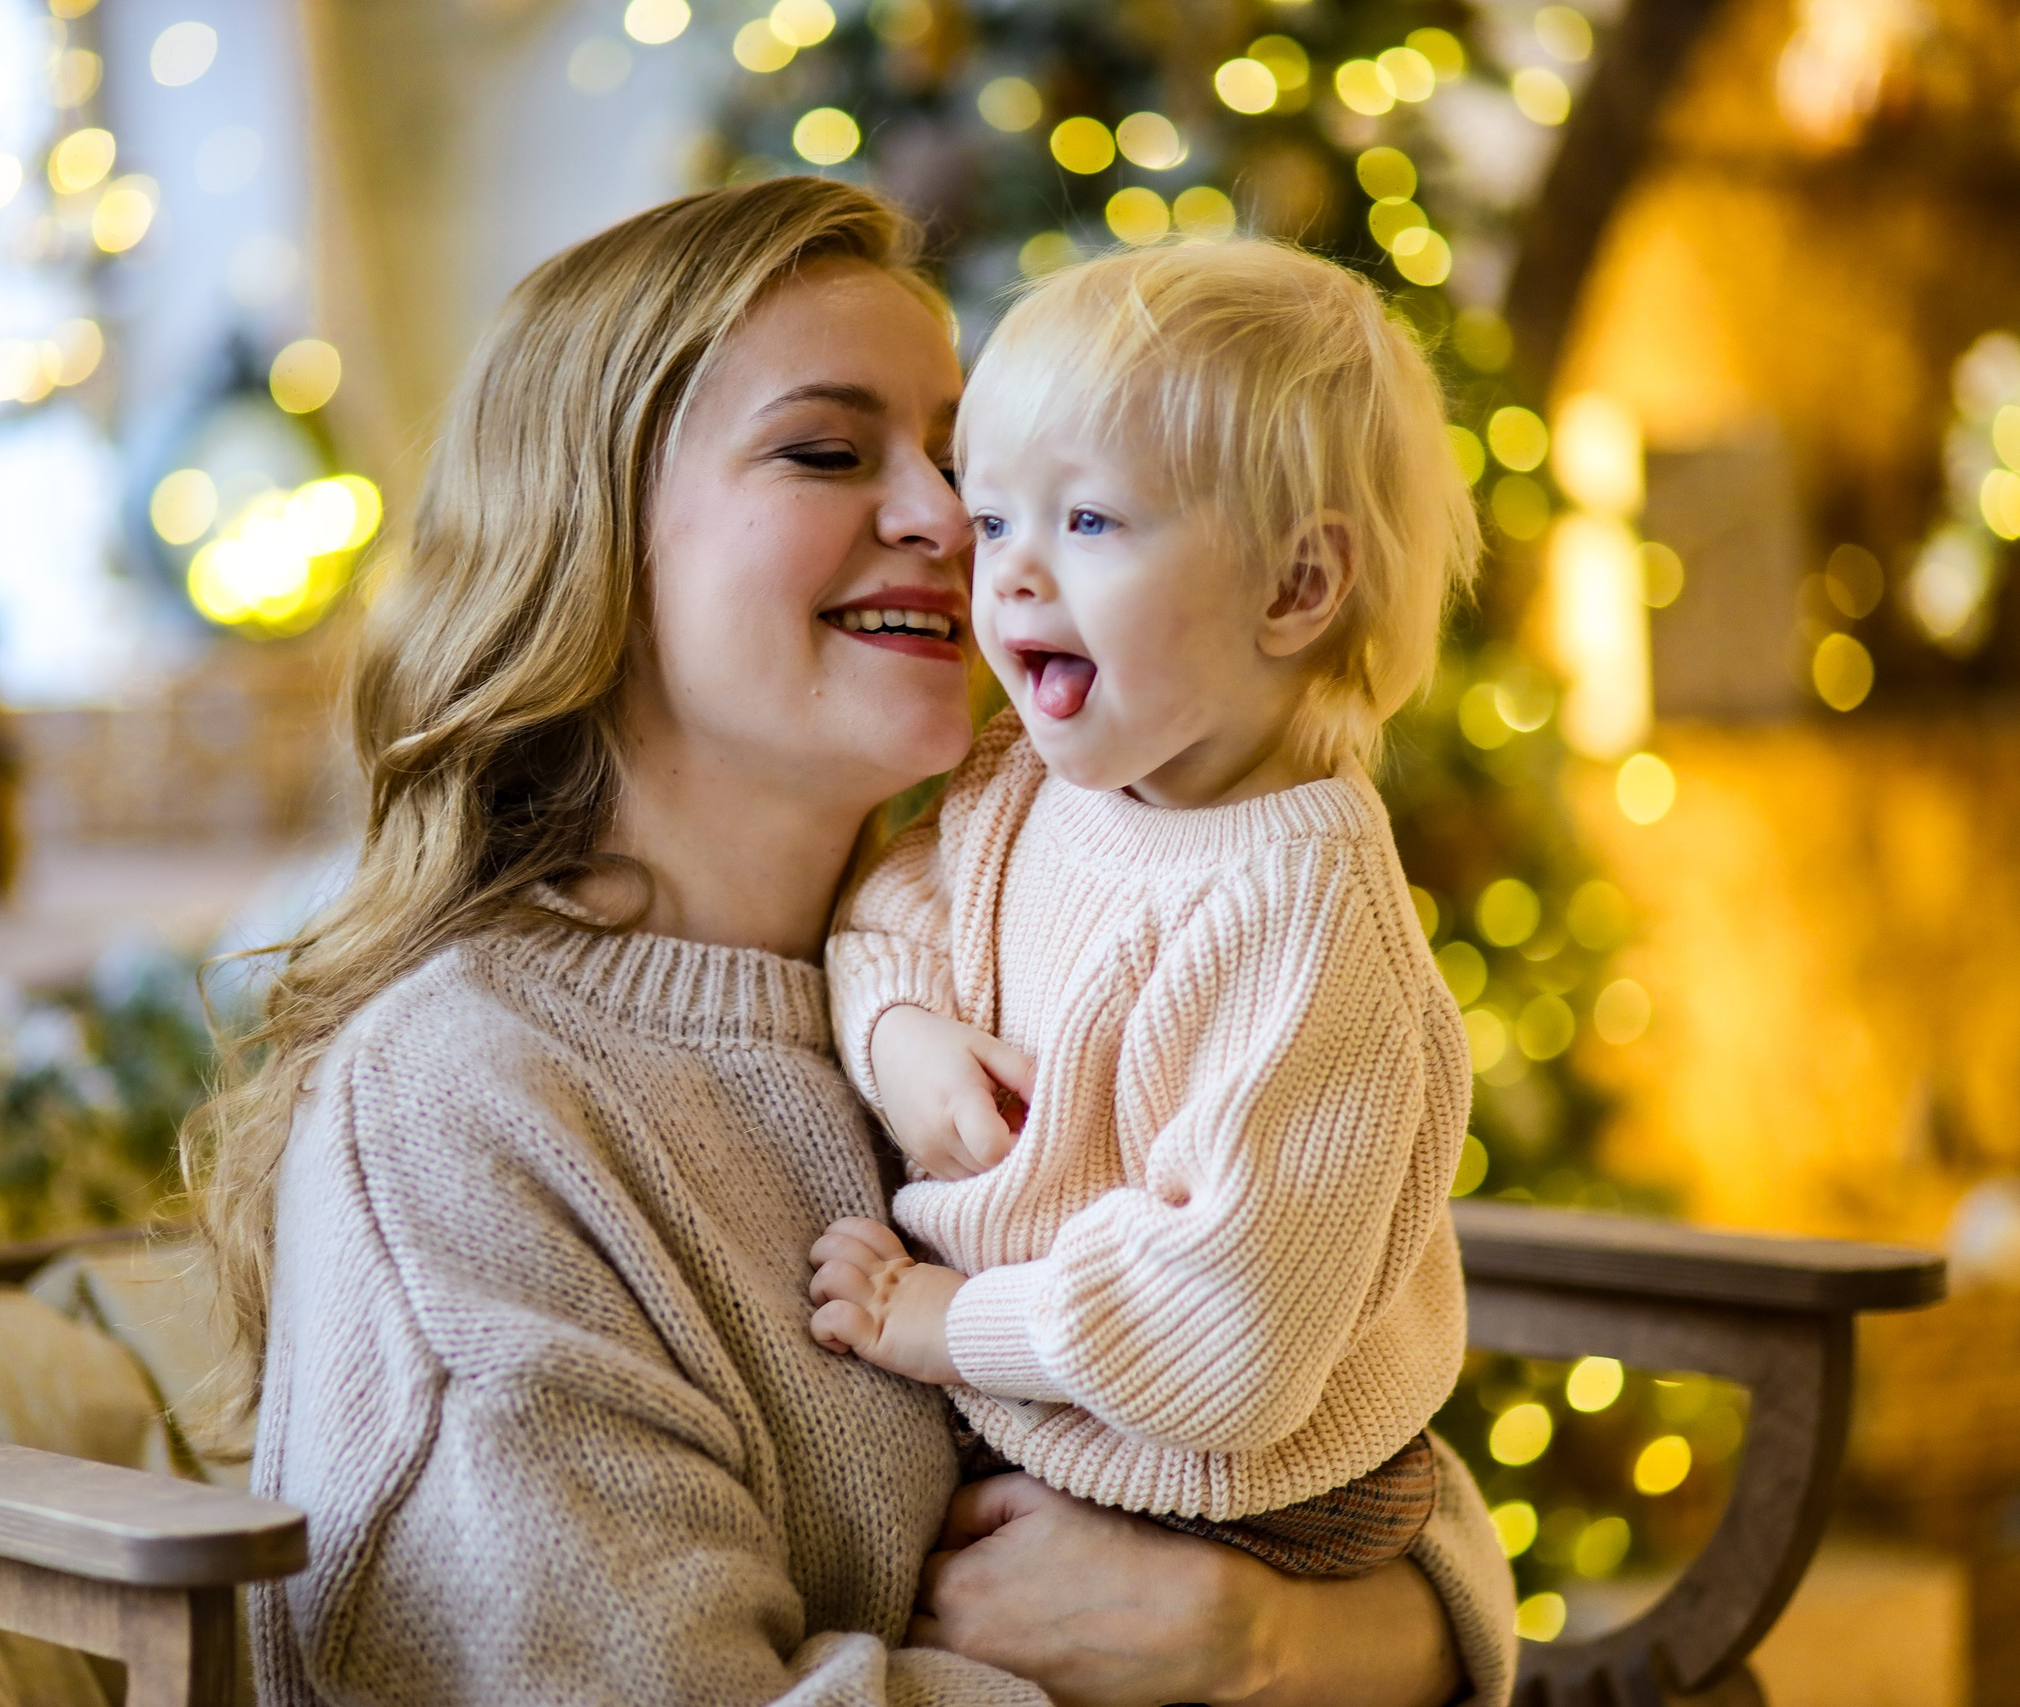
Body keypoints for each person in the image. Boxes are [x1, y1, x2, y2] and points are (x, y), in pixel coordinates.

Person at [185, 176, 1517, 1706]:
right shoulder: (465, 1106)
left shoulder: (1050, 919)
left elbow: (1344, 1445)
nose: (958, 525)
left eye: (966, 464)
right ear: (594, 546)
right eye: (826, 452)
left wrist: (1260, 1638)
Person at [811, 242, 1476, 1583]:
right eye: (992, 519)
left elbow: (1232, 1328)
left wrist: (953, 1325)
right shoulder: (1029, 775)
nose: (1003, 577)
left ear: (1295, 588)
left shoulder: (1301, 918)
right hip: (1056, 1407)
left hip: (1247, 1486)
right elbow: (888, 907)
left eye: (1090, 523)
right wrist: (899, 1036)